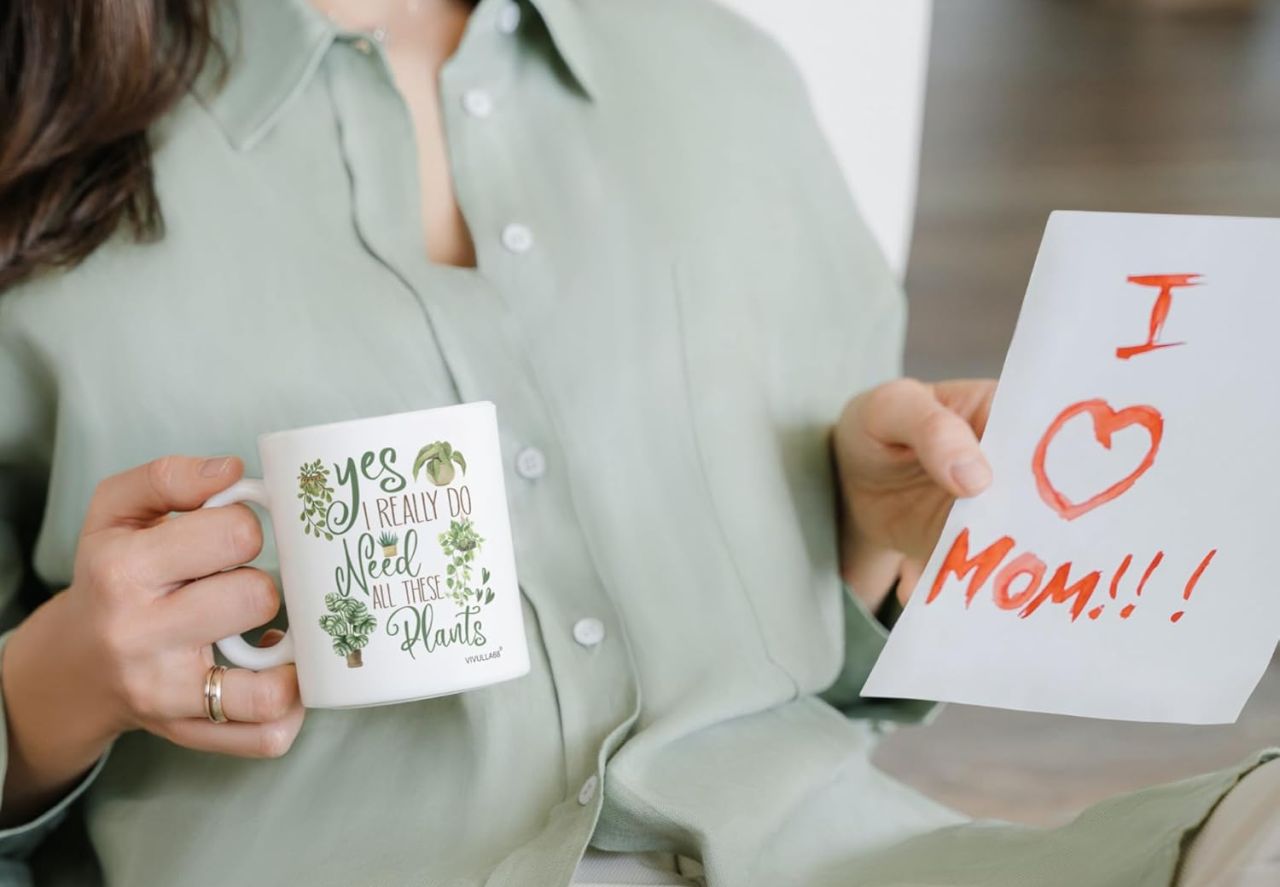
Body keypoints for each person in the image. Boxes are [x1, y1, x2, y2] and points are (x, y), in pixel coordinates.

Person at [0, 1, 1275, 885]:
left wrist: (865, 538)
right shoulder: (35, 144)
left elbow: (821, 675)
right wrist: (51, 690)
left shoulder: (724, 77)